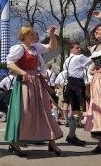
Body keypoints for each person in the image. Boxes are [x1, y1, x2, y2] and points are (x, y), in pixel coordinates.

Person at [5, 26, 63, 157]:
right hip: (25, 84)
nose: (34, 37)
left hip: (37, 83)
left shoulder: (35, 47)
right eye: (31, 35)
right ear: (24, 36)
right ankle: (14, 143)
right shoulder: (19, 48)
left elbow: (51, 47)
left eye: (33, 35)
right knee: (24, 112)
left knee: (44, 111)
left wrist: (52, 35)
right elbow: (9, 63)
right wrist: (22, 72)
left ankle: (52, 142)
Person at [84, 10, 101, 153]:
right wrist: (93, 71)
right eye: (96, 30)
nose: (97, 32)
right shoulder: (93, 48)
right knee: (99, 110)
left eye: (100, 29)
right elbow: (92, 66)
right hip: (98, 82)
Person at [63, 41, 91, 146]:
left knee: (74, 110)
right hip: (77, 84)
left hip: (69, 83)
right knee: (77, 111)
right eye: (77, 48)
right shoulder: (80, 57)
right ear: (71, 49)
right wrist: (93, 50)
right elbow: (91, 61)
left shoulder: (66, 60)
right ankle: (71, 136)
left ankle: (72, 135)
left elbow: (65, 73)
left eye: (79, 48)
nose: (79, 49)